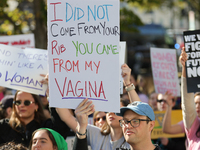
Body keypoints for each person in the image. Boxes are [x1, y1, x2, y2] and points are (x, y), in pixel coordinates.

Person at [0, 90, 70, 147]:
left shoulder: (46, 127)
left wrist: (52, 94)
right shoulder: (3, 126)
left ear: (36, 106)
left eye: (27, 102)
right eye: (18, 102)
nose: (21, 105)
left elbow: (61, 128)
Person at [179, 47, 200, 149]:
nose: (198, 106)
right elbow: (187, 104)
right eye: (196, 103)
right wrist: (186, 69)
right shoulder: (195, 127)